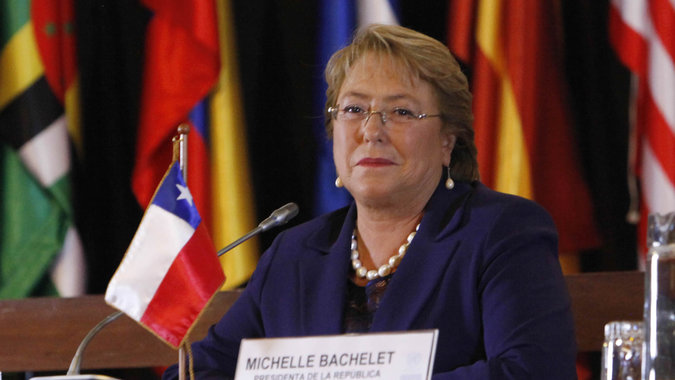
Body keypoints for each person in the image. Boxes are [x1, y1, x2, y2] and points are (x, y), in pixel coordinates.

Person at [163, 24, 577, 379]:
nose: (371, 131)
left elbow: (531, 371)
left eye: (401, 112)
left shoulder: (502, 232)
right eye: (354, 108)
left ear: (448, 142)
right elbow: (201, 369)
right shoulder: (294, 255)